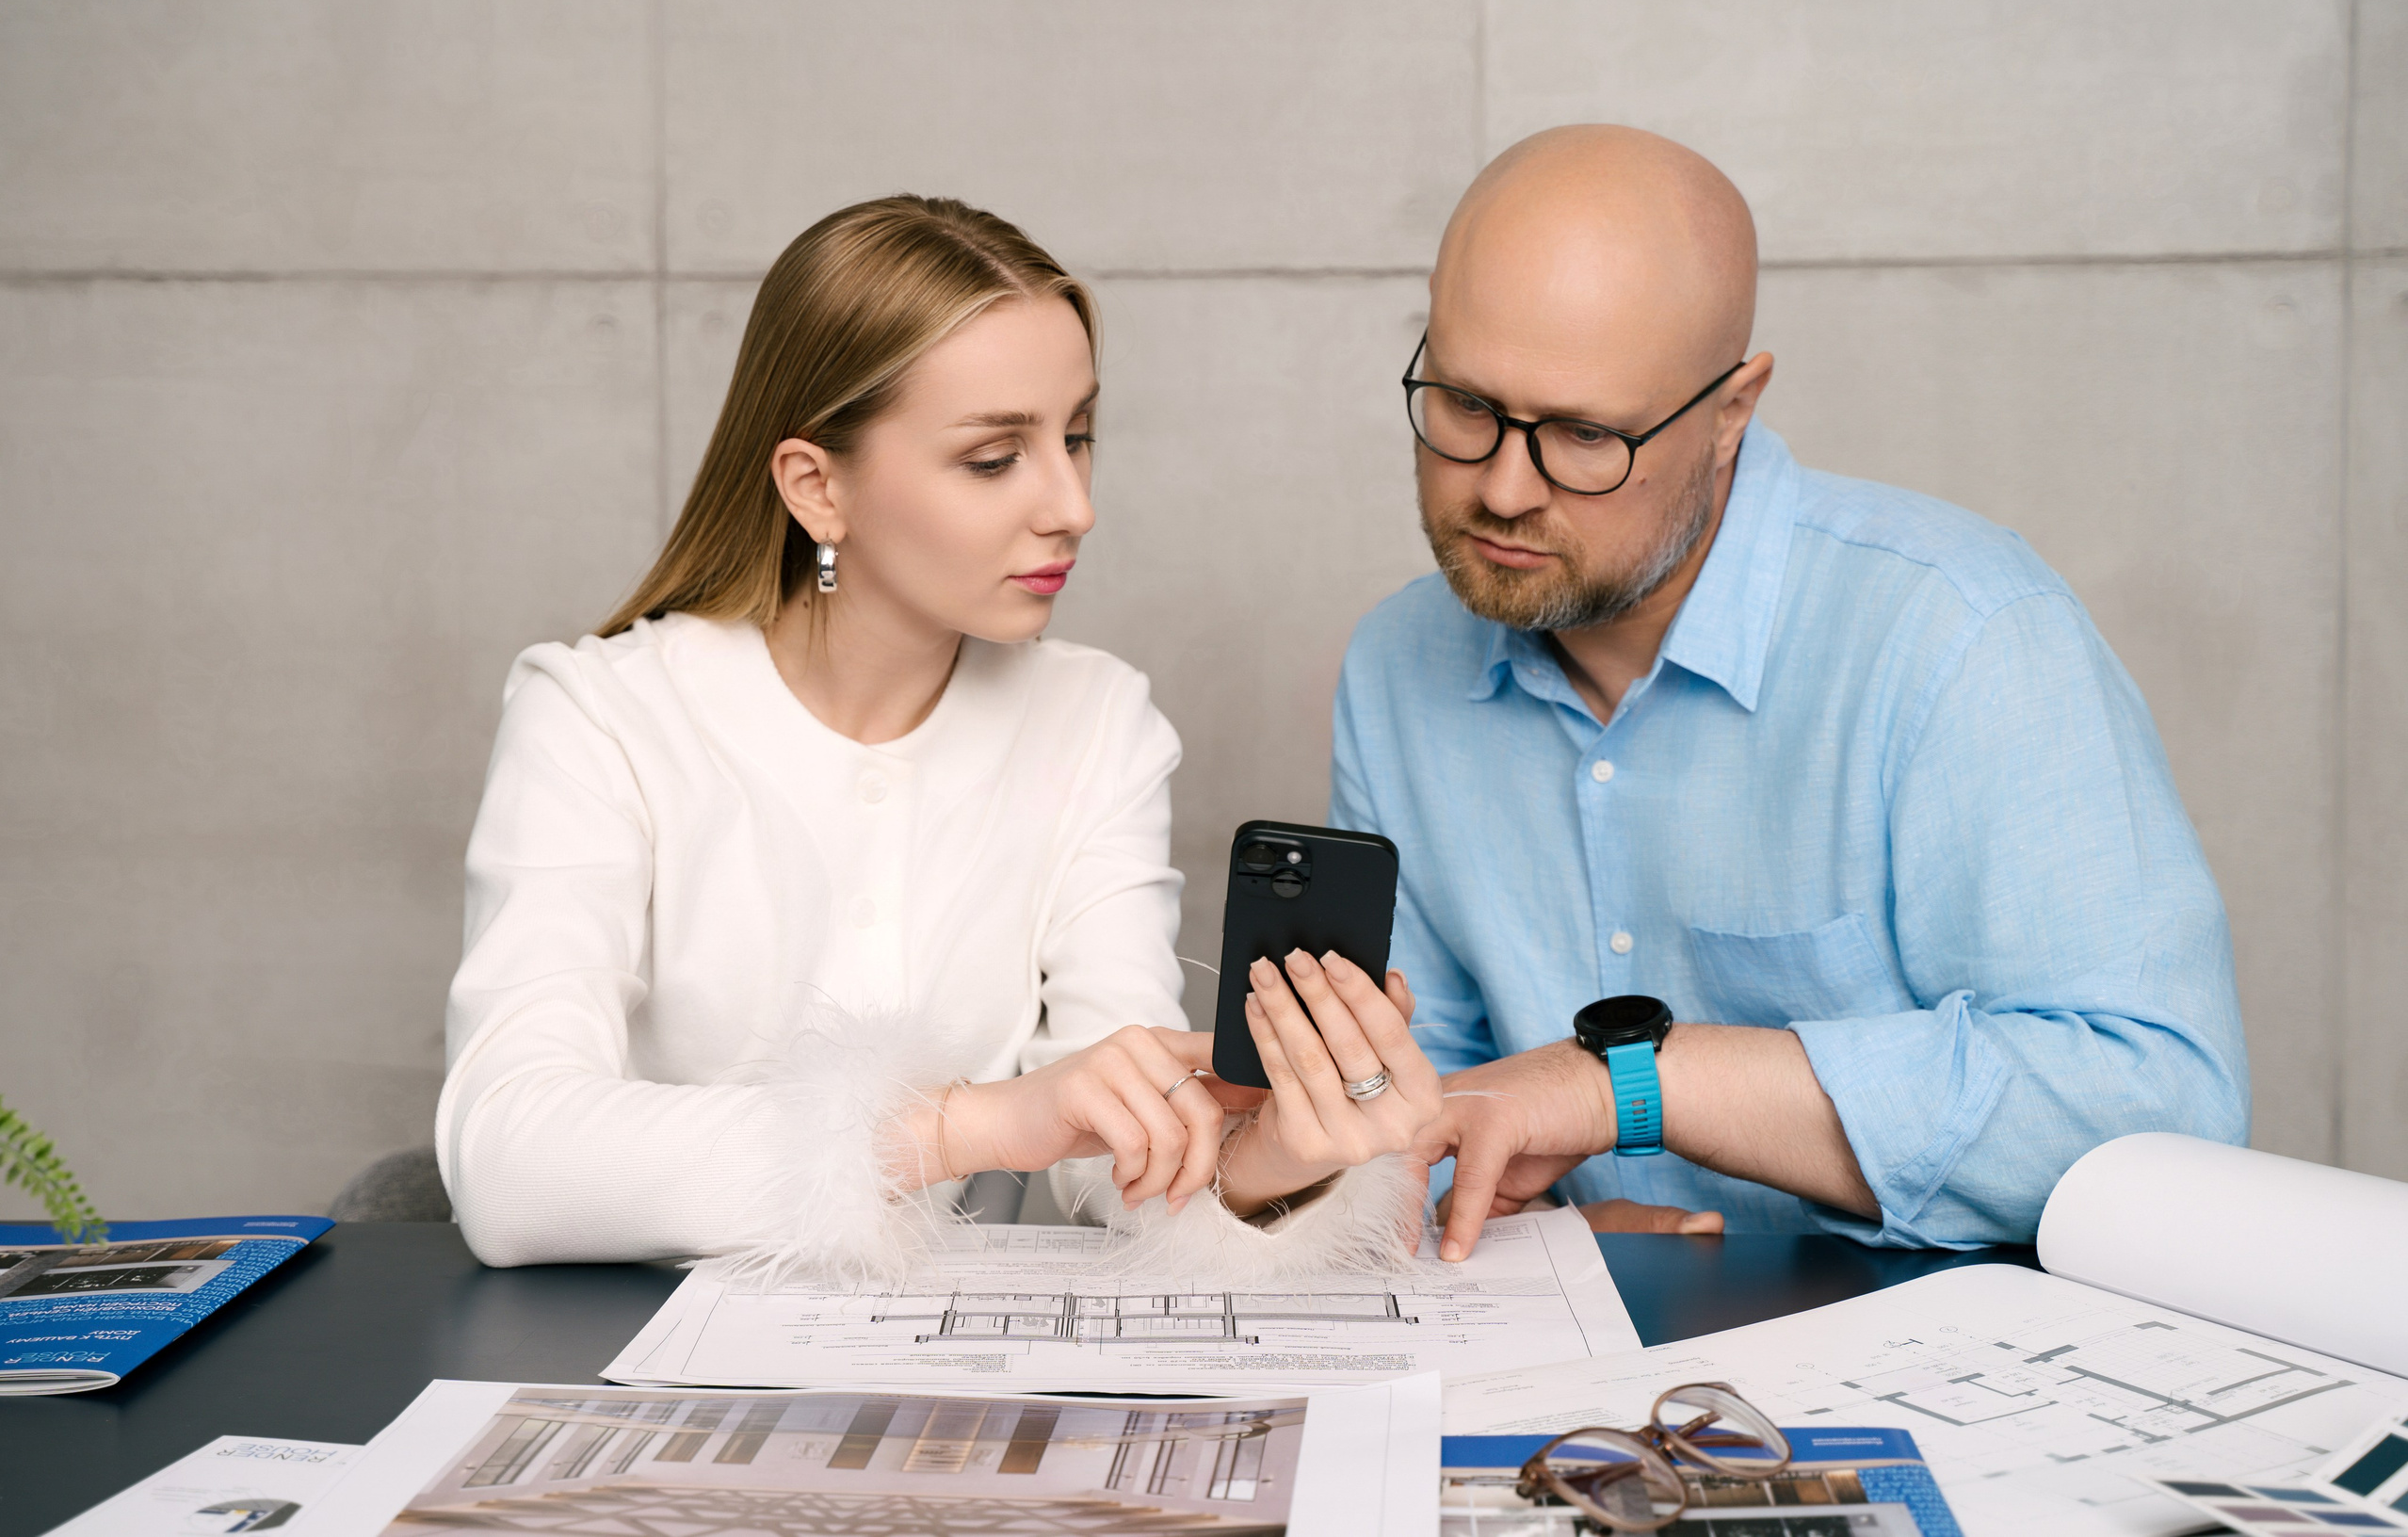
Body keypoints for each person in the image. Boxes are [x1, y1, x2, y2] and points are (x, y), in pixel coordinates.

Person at [440, 196, 1436, 1276]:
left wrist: (1263, 1155)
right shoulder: (600, 716)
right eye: (994, 458)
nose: (1072, 505)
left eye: (1078, 436)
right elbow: (506, 1160)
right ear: (817, 486)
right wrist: (969, 1127)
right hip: (622, 1362)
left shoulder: (1097, 723)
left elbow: (1108, 1158)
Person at [1329, 126, 2247, 1260]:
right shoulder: (1396, 666)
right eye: (1464, 404)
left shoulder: (1958, 631)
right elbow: (1409, 1118)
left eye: (1583, 435)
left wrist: (1626, 1088)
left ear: (1731, 411)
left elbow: (2158, 1113)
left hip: (1946, 1385)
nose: (1503, 487)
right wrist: (1523, 1241)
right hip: (1568, 1383)